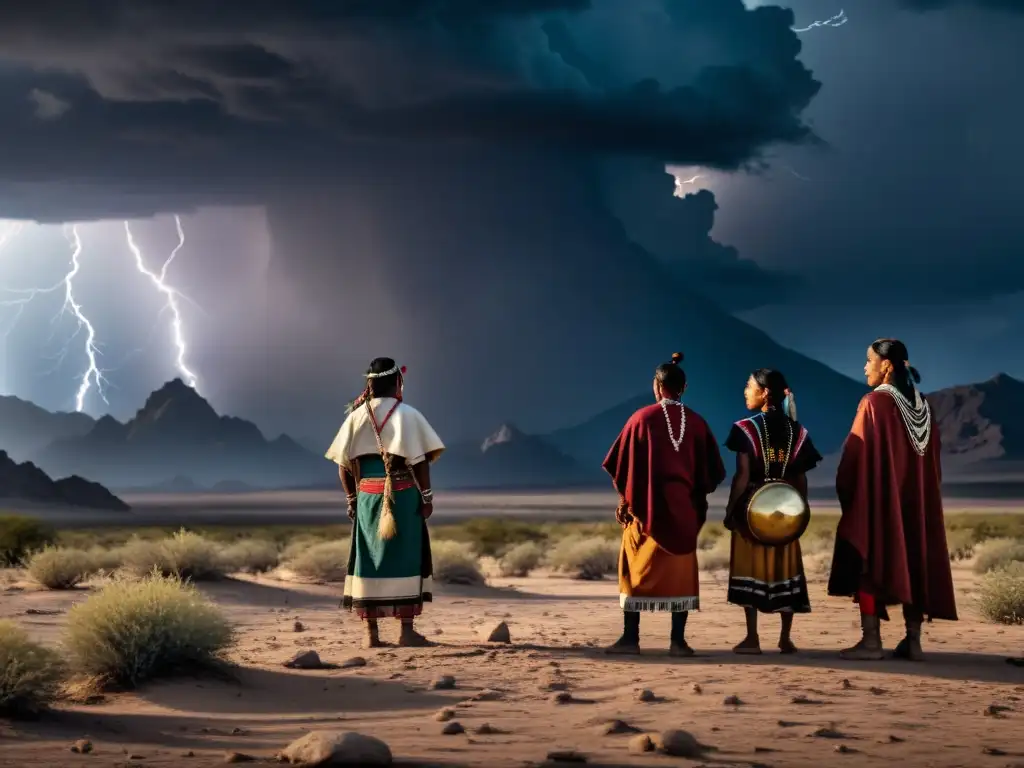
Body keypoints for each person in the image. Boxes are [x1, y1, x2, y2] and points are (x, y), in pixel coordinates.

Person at [829, 339, 957, 661]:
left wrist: (851, 497)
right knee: (914, 559)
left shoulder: (874, 403)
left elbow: (853, 458)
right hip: (918, 504)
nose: (864, 367)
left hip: (880, 502)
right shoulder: (924, 407)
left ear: (885, 365)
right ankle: (913, 640)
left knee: (868, 557)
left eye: (868, 360)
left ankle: (871, 641)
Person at [602, 352, 726, 656]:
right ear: (683, 388)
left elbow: (624, 466)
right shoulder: (697, 423)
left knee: (633, 568)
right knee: (680, 573)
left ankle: (631, 640)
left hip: (645, 513)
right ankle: (678, 642)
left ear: (658, 386)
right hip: (684, 514)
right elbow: (711, 473)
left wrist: (625, 501)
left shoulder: (640, 419)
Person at [325, 357, 445, 648]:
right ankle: (406, 631)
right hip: (403, 498)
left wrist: (352, 499)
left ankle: (372, 635)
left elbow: (343, 465)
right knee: (406, 556)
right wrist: (427, 498)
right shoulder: (408, 415)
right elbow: (420, 463)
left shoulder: (354, 417)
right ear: (396, 383)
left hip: (368, 497)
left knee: (369, 559)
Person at [723, 369, 822, 655]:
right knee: (785, 568)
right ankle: (785, 638)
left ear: (765, 393)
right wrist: (800, 512)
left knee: (751, 567)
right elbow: (801, 477)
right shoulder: (798, 431)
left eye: (749, 385)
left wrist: (732, 510)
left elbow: (742, 476)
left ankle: (752, 638)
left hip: (752, 509)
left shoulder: (744, 429)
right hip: (786, 510)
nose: (745, 391)